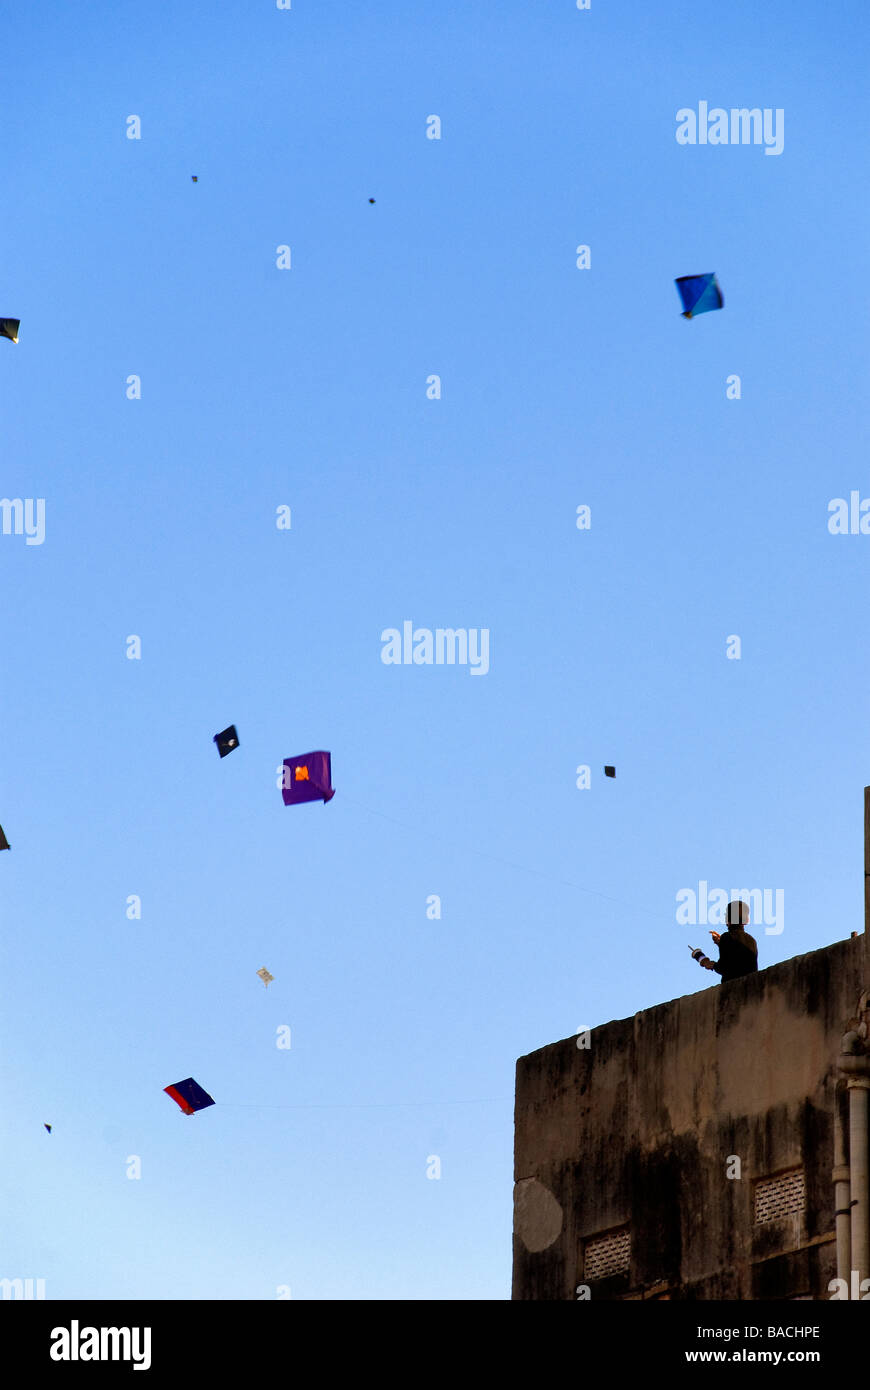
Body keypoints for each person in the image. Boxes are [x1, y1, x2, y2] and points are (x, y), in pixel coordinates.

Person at [696, 900, 758, 982]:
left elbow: (725, 968)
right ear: (746, 920)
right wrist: (721, 943)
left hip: (733, 990)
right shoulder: (752, 940)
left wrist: (711, 964)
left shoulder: (726, 937)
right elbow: (740, 959)